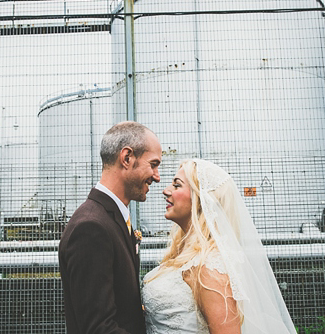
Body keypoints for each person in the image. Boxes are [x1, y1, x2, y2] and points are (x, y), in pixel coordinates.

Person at [142, 159, 296, 333]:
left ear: (202, 201)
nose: (166, 190)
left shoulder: (210, 266)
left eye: (177, 186)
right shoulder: (185, 254)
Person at [59, 121, 162, 334]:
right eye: (153, 164)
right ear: (127, 158)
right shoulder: (91, 227)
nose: (157, 176)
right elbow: (99, 328)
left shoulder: (109, 218)